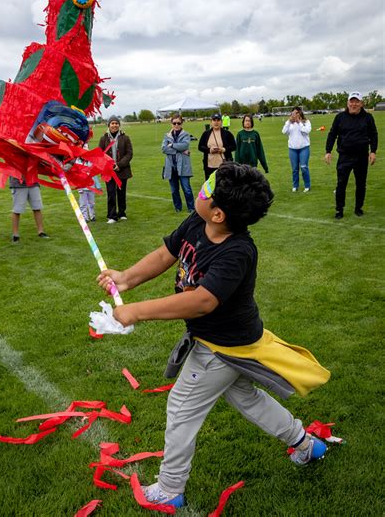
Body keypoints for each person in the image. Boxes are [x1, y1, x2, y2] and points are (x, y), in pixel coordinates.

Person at [98, 163, 330, 508]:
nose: (201, 191)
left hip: (222, 346)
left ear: (219, 214)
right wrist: (127, 278)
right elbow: (166, 253)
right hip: (230, 340)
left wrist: (136, 311)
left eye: (207, 189)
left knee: (181, 406)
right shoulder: (197, 223)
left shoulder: (238, 252)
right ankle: (307, 444)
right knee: (246, 398)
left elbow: (202, 301)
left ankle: (170, 488)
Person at [324, 92, 378, 219]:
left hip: (361, 157)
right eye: (351, 101)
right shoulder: (340, 117)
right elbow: (332, 134)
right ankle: (339, 210)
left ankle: (358, 208)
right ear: (347, 103)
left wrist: (373, 151)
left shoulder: (368, 117)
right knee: (341, 183)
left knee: (361, 184)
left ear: (361, 103)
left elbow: (374, 135)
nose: (354, 104)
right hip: (345, 157)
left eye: (356, 101)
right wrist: (328, 151)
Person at [98, 116, 133, 224]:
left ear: (119, 125)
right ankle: (112, 216)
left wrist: (120, 165)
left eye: (116, 123)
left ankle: (122, 213)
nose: (114, 125)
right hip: (109, 171)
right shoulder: (104, 138)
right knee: (111, 193)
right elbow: (100, 154)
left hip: (122, 170)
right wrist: (107, 165)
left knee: (121, 193)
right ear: (108, 125)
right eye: (112, 123)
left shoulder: (125, 138)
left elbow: (129, 153)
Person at [161, 114, 195, 213]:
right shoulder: (167, 135)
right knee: (174, 190)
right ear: (171, 124)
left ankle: (191, 208)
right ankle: (178, 207)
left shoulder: (186, 135)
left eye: (178, 123)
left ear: (182, 123)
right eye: (174, 123)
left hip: (183, 166)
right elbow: (164, 149)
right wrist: (179, 150)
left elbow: (185, 145)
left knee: (187, 189)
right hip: (171, 167)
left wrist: (171, 145)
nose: (176, 125)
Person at [9, 176, 49, 243]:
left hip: (33, 183)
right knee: (17, 210)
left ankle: (41, 231)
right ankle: (15, 235)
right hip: (18, 185)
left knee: (37, 208)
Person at [282, 107, 312, 192]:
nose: (295, 115)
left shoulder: (306, 122)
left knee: (304, 167)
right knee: (295, 169)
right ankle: (295, 186)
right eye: (293, 113)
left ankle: (307, 185)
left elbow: (306, 131)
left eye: (296, 113)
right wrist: (288, 122)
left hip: (304, 148)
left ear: (300, 113)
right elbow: (284, 132)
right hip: (292, 149)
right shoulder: (289, 123)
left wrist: (299, 123)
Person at [198, 113, 236, 179]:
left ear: (221, 122)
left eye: (218, 120)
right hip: (209, 166)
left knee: (224, 186)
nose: (216, 122)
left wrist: (224, 149)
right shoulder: (206, 134)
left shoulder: (227, 134)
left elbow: (234, 146)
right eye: (214, 120)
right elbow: (200, 146)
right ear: (211, 122)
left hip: (224, 166)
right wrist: (209, 150)